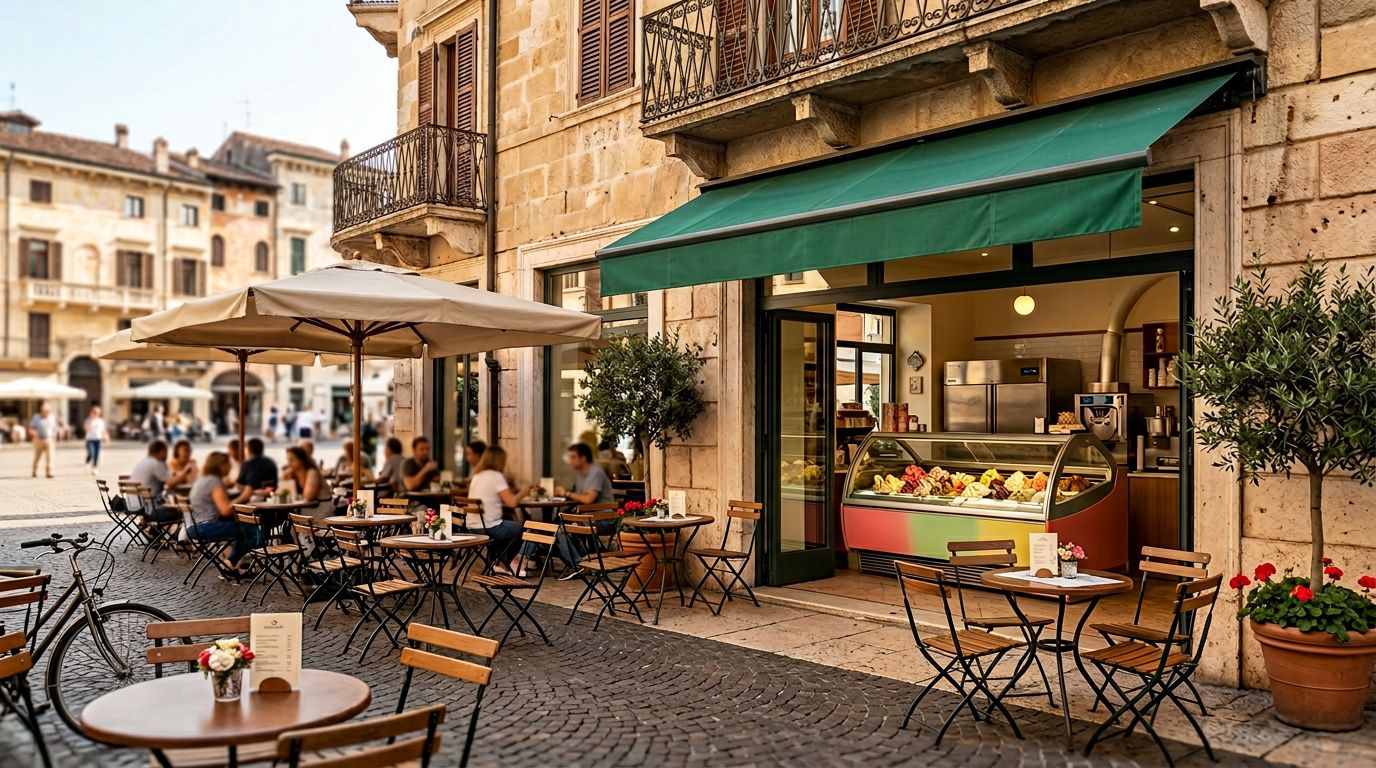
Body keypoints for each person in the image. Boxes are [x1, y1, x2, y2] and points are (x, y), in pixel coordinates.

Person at [551, 442, 618, 578]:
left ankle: (578, 565)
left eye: (573, 457)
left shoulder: (596, 473)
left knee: (562, 529)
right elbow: (580, 498)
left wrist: (567, 494)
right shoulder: (581, 474)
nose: (570, 461)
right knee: (559, 527)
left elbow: (588, 499)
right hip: (587, 518)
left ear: (583, 458)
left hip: (604, 519)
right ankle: (583, 562)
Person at [187, 451, 259, 570]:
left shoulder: (203, 479)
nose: (230, 467)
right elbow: (225, 510)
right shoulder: (214, 481)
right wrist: (244, 496)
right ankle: (230, 564)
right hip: (205, 527)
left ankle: (237, 561)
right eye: (228, 464)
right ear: (221, 465)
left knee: (244, 528)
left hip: (193, 526)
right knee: (255, 531)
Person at [466, 446, 531, 575]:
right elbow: (512, 502)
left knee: (508, 525)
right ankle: (505, 562)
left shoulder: (477, 476)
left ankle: (497, 563)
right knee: (519, 528)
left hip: (472, 525)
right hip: (488, 526)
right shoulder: (496, 476)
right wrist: (524, 491)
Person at [130, 440, 193, 523]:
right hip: (150, 510)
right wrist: (185, 472)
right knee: (187, 510)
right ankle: (183, 535)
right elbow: (170, 483)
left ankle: (156, 531)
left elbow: (169, 477)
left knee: (177, 505)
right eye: (166, 451)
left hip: (134, 505)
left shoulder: (143, 462)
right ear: (161, 451)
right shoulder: (155, 464)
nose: (166, 454)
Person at [283, 446, 333, 519]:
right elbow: (284, 493)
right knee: (288, 517)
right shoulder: (294, 474)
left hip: (321, 509)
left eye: (292, 460)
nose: (289, 464)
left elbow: (309, 496)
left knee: (290, 519)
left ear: (301, 460)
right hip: (306, 509)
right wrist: (285, 478)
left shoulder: (312, 472)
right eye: (288, 460)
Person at [233, 437, 278, 503]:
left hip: (251, 498)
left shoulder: (247, 464)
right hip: (270, 496)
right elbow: (274, 485)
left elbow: (239, 484)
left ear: (249, 450)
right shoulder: (271, 462)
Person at [29, 402, 56, 478]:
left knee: (50, 457)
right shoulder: (36, 417)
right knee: (37, 457)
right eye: (44, 410)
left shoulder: (52, 417)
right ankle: (34, 471)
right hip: (39, 439)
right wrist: (35, 434)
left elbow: (53, 429)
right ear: (41, 410)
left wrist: (53, 438)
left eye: (48, 411)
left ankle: (49, 472)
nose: (46, 412)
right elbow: (31, 428)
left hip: (48, 439)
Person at [83, 404, 105, 475]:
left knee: (96, 454)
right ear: (92, 412)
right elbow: (86, 429)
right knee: (92, 453)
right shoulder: (88, 420)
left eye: (98, 412)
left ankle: (94, 468)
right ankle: (87, 462)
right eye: (95, 412)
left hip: (98, 439)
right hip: (90, 439)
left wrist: (106, 437)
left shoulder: (101, 421)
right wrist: (91, 419)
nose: (96, 414)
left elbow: (103, 430)